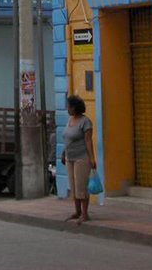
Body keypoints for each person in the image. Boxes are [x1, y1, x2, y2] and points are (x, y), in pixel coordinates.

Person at [61, 94, 96, 224]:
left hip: (82, 158)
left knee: (81, 186)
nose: (67, 108)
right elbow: (67, 139)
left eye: (69, 106)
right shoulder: (69, 120)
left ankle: (85, 213)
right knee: (73, 186)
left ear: (75, 107)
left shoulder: (85, 122)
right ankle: (77, 211)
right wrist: (63, 153)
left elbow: (88, 141)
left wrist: (92, 159)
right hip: (70, 158)